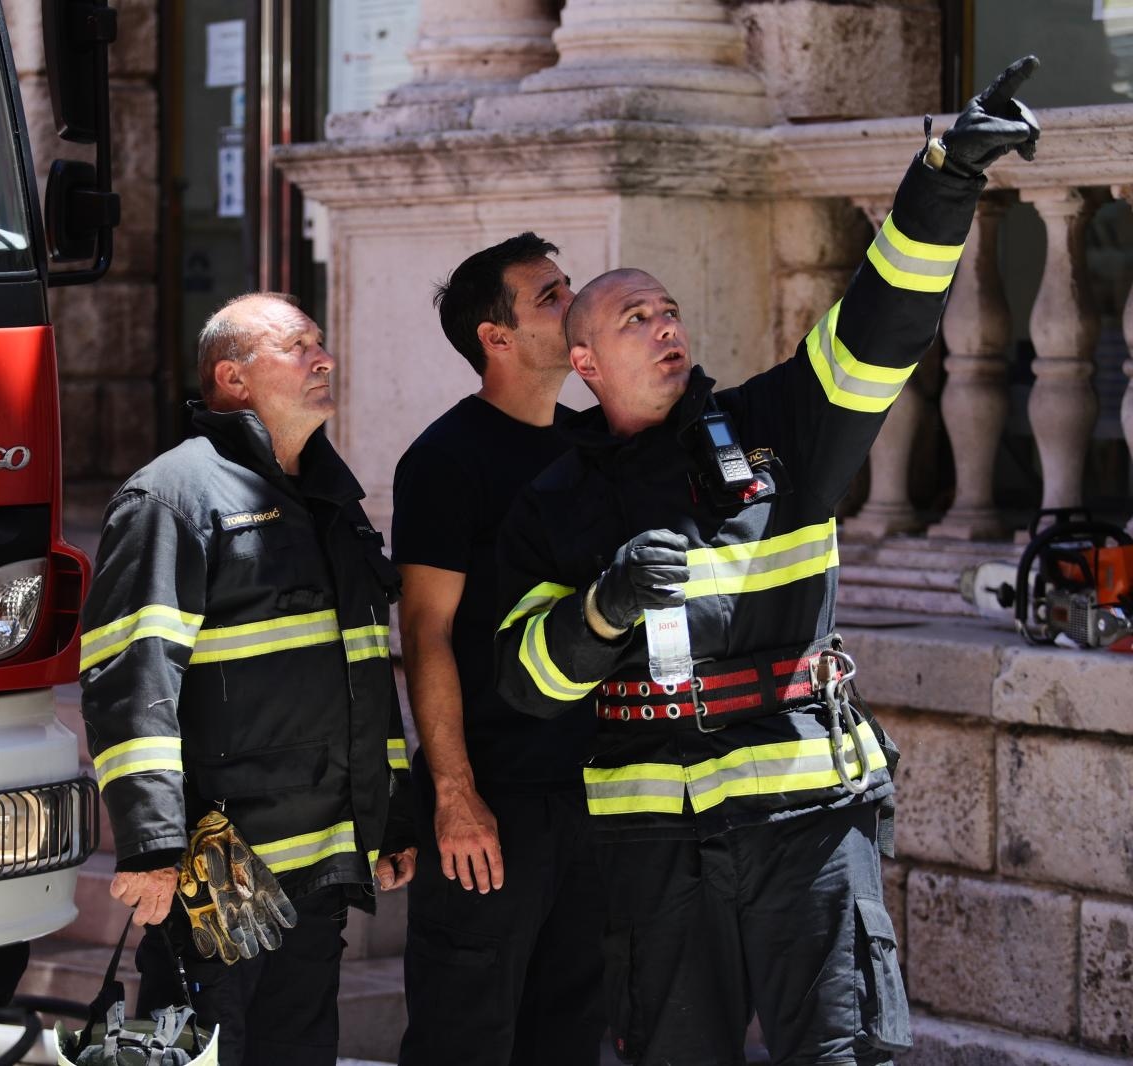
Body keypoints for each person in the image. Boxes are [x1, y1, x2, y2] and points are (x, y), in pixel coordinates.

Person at [493, 59, 1041, 1066]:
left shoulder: (777, 425)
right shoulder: (555, 503)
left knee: (841, 1053)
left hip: (808, 823)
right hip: (656, 853)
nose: (664, 328)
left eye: (667, 311)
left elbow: (882, 324)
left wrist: (942, 182)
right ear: (584, 362)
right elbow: (523, 682)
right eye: (634, 320)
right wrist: (603, 610)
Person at [77, 292, 417, 1066]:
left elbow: (366, 670)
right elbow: (133, 681)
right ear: (232, 378)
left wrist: (393, 813)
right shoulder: (172, 497)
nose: (323, 358)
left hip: (324, 863)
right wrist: (153, 844)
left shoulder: (332, 497)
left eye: (321, 343)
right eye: (297, 346)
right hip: (218, 873)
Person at [390, 234, 608, 1065]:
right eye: (549, 296)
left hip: (591, 797)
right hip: (493, 803)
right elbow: (426, 632)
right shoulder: (446, 459)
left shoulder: (593, 446)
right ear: (497, 337)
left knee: (568, 1035)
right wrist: (453, 795)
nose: (572, 302)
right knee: (465, 1038)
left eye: (568, 286)